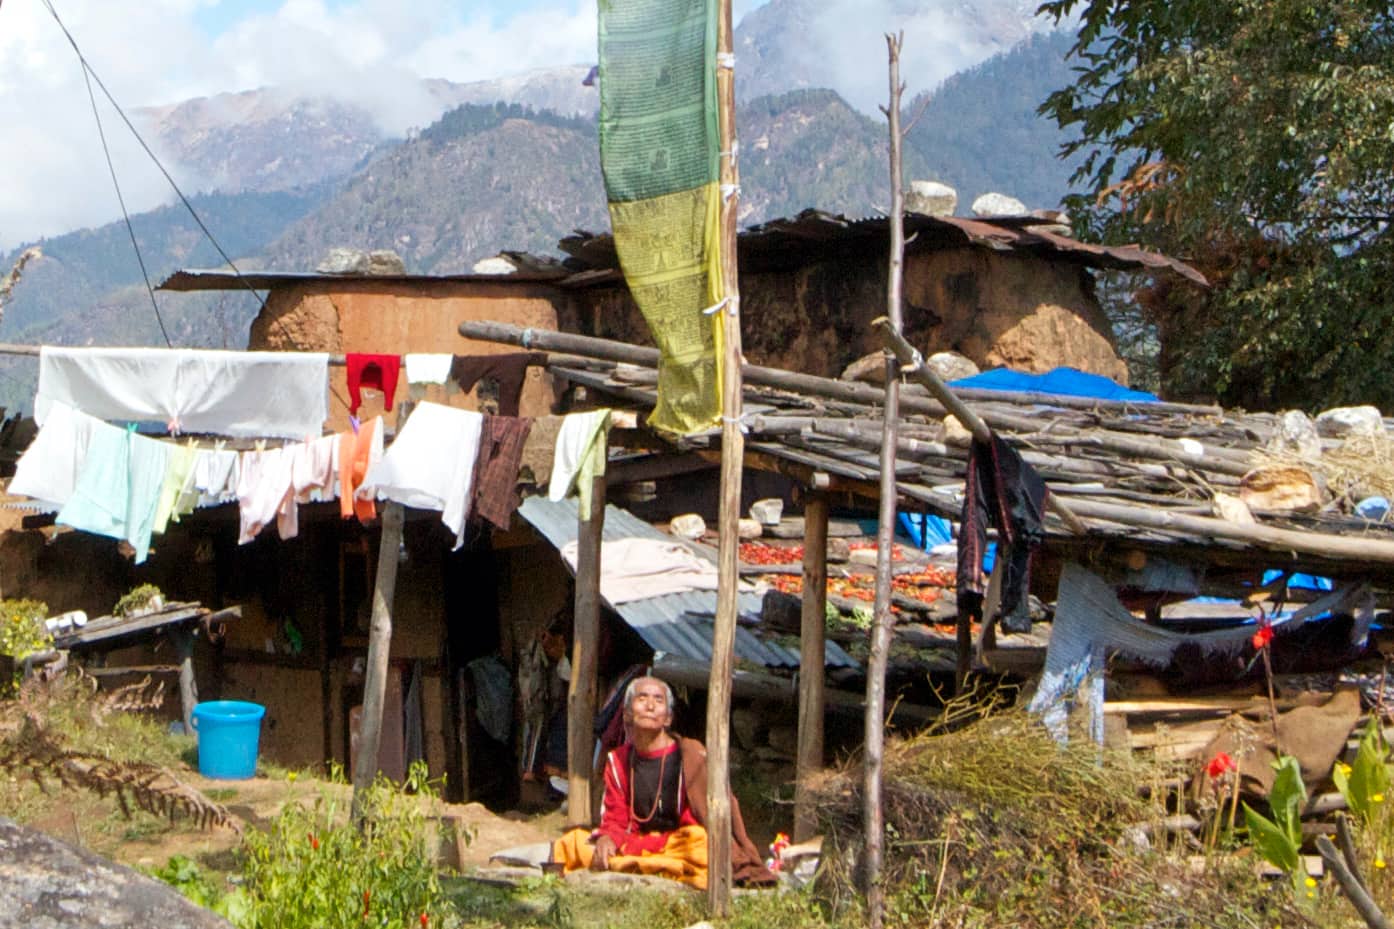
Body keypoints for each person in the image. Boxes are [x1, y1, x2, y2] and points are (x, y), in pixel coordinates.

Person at [550, 676, 775, 889]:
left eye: (658, 700)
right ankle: (647, 864)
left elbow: (702, 818)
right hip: (635, 842)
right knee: (572, 842)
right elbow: (615, 817)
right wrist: (609, 838)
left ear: (668, 718)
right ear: (627, 714)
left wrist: (653, 844)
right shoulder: (618, 760)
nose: (650, 705)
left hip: (680, 843)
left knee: (701, 843)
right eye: (642, 698)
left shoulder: (690, 754)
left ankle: (636, 864)